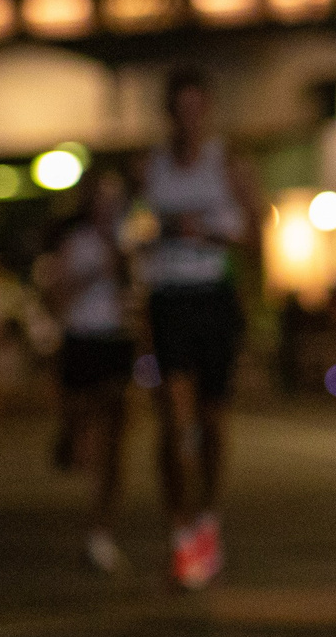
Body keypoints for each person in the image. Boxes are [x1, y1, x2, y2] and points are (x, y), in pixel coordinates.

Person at [140, 68, 261, 589]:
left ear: (206, 110)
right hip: (168, 299)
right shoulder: (150, 170)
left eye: (196, 109)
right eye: (179, 110)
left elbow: (258, 231)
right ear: (169, 113)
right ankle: (178, 529)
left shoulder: (228, 165)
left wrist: (210, 231)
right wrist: (160, 230)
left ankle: (208, 514)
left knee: (212, 424)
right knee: (172, 420)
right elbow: (128, 229)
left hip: (214, 297)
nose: (188, 120)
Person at [46, 165, 137, 573]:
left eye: (113, 199)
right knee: (80, 430)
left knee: (116, 437)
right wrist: (94, 272)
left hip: (117, 341)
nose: (107, 207)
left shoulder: (129, 239)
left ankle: (101, 528)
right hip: (82, 339)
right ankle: (71, 442)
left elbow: (138, 291)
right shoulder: (75, 240)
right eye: (100, 198)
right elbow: (57, 294)